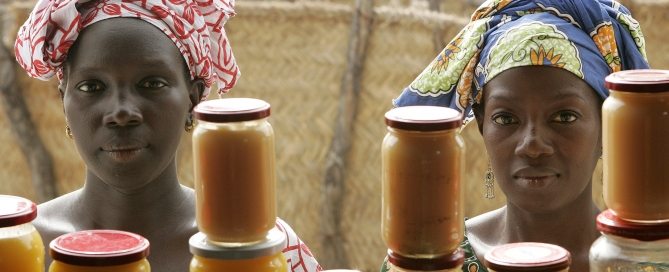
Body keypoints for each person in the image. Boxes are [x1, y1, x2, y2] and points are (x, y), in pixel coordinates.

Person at [14, 1, 322, 271]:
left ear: (193, 98)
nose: (122, 112)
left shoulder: (258, 248)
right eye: (92, 87)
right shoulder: (19, 248)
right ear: (64, 102)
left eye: (151, 84)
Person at [381, 0, 649, 271]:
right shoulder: (429, 262)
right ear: (483, 125)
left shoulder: (651, 260)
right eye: (506, 119)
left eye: (564, 117)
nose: (532, 146)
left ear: (607, 125)